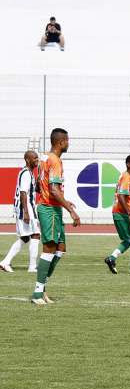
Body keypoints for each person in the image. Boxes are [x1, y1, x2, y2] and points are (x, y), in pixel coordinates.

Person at [31, 128, 82, 305]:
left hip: (53, 207)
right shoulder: (54, 160)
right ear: (60, 142)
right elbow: (53, 189)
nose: (68, 143)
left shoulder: (45, 158)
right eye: (67, 140)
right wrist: (71, 210)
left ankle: (42, 287)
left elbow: (41, 185)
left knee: (60, 248)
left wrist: (64, 201)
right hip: (49, 209)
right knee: (50, 248)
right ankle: (37, 293)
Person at [0, 151, 40, 274]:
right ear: (27, 160)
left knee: (26, 237)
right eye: (34, 158)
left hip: (27, 207)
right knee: (35, 235)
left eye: (37, 158)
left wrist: (38, 183)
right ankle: (32, 267)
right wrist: (26, 212)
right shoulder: (26, 173)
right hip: (26, 208)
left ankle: (5, 262)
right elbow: (23, 193)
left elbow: (32, 190)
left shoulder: (29, 173)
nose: (37, 160)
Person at [103, 154, 130, 275]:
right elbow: (121, 196)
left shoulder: (128, 177)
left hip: (119, 213)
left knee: (128, 240)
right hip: (122, 213)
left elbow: (128, 199)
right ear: (128, 164)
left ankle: (111, 258)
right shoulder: (126, 177)